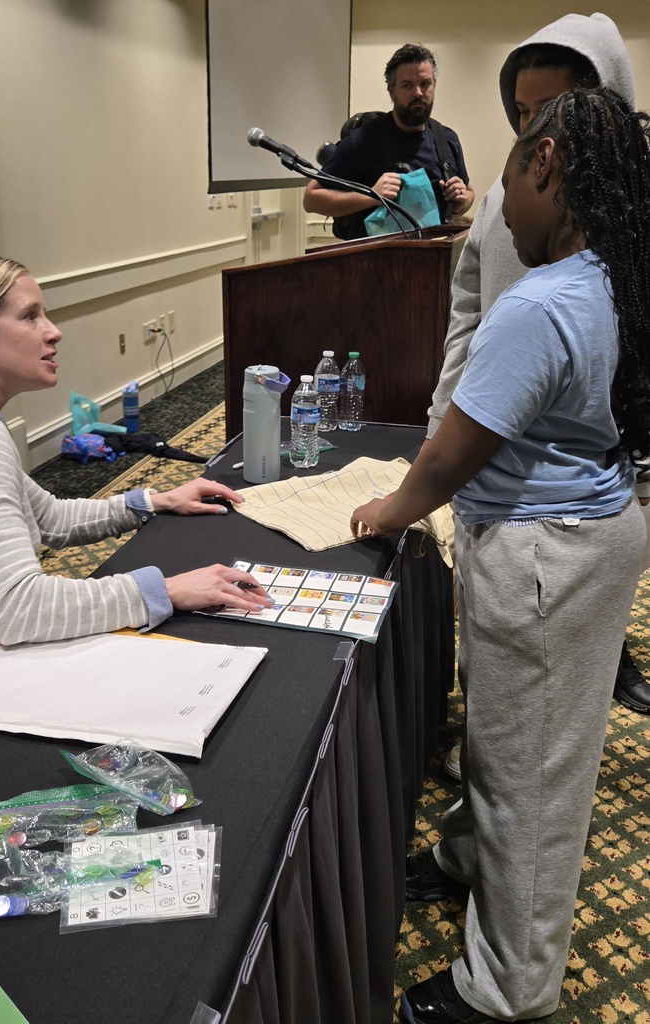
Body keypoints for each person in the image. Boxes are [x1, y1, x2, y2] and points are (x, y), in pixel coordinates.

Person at [351, 86, 650, 1023]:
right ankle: (468, 857)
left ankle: (507, 991)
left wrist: (387, 509)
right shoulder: (620, 278)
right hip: (586, 536)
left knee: (534, 781)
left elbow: (447, 453)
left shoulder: (545, 301)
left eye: (509, 179)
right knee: (507, 740)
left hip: (544, 561)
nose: (498, 208)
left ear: (547, 161)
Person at [426, 13, 650, 783]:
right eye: (521, 115)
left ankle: (514, 849)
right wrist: (440, 431)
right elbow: (466, 316)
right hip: (488, 485)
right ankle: (479, 826)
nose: (535, 130)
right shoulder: (502, 198)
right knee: (494, 678)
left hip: (571, 505)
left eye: (549, 112)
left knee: (550, 715)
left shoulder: (628, 222)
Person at [0, 256, 273, 691]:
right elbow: (18, 609)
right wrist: (165, 589)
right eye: (31, 316)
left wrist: (154, 501)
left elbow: (45, 517)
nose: (54, 331)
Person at [303, 43, 474, 239]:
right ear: (391, 91)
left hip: (433, 261)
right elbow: (311, 199)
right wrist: (371, 196)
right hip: (375, 264)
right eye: (407, 85)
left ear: (434, 85)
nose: (418, 92)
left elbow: (469, 192)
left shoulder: (447, 140)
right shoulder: (362, 141)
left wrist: (462, 200)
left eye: (425, 84)